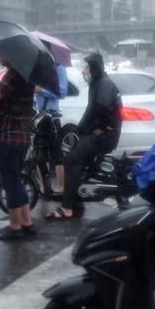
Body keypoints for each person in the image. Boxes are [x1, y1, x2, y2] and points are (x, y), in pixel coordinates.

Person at [46, 52, 121, 220]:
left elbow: (100, 108)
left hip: (106, 136)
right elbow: (92, 110)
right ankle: (78, 200)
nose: (84, 71)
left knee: (71, 161)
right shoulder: (98, 83)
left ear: (94, 68)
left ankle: (66, 207)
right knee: (78, 161)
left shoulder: (104, 84)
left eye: (87, 68)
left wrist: (102, 127)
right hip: (103, 133)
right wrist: (82, 130)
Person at [0, 52, 37, 240]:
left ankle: (15, 226)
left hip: (8, 136)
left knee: (10, 181)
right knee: (16, 179)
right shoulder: (28, 75)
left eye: (1, 54)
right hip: (22, 137)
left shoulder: (13, 74)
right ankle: (27, 223)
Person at [33, 63, 68, 198]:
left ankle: (61, 188)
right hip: (38, 117)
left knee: (56, 153)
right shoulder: (35, 67)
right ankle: (44, 188)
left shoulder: (59, 67)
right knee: (39, 153)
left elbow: (62, 93)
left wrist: (41, 90)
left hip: (52, 117)